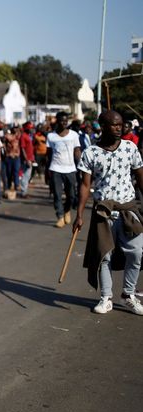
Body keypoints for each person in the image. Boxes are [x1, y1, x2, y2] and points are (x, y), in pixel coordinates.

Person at [73, 110, 143, 316]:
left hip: (128, 210)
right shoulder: (90, 153)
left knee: (137, 252)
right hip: (103, 212)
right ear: (102, 126)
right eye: (114, 125)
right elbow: (85, 186)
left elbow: (140, 177)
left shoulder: (130, 148)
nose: (119, 128)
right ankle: (106, 297)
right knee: (104, 256)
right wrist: (79, 214)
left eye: (121, 124)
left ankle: (128, 294)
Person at [46, 112, 81, 228]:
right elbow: (49, 154)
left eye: (66, 121)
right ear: (57, 121)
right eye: (61, 120)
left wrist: (81, 164)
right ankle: (60, 216)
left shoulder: (74, 135)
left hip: (70, 168)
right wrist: (47, 170)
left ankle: (67, 210)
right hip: (56, 168)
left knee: (71, 195)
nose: (64, 123)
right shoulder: (51, 136)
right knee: (57, 194)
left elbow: (77, 151)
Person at [19, 122, 35, 198]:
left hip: (30, 158)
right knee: (25, 176)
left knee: (27, 176)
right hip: (26, 159)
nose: (32, 129)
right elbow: (22, 148)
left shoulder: (29, 136)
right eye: (31, 128)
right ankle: (23, 192)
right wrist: (26, 159)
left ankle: (24, 191)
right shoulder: (23, 136)